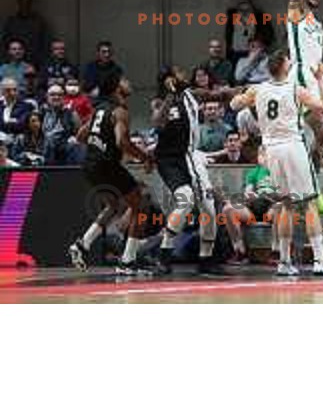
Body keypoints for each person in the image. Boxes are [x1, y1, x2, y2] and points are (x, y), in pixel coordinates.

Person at [231, 50, 323, 276]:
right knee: (309, 203)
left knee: (286, 204)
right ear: (282, 65)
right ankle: (320, 261)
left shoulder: (257, 89)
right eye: (288, 60)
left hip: (271, 150)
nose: (291, 62)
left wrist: (243, 96)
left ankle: (284, 261)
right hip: (292, 146)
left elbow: (233, 105)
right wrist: (320, 79)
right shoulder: (295, 88)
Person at [68, 71, 155, 275]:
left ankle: (82, 245)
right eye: (124, 80)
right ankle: (127, 262)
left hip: (90, 165)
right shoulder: (120, 111)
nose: (128, 82)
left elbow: (81, 136)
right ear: (117, 88)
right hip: (107, 164)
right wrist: (145, 158)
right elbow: (122, 142)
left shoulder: (99, 109)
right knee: (141, 205)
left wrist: (99, 142)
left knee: (113, 205)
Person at [150, 66, 218, 275]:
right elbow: (157, 123)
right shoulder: (160, 101)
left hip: (191, 156)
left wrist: (243, 90)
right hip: (169, 160)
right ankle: (164, 253)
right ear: (169, 79)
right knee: (186, 200)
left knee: (209, 209)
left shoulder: (190, 94)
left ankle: (205, 260)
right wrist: (170, 95)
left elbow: (216, 95)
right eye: (178, 72)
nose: (183, 74)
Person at [285, 0, 323, 165]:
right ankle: (306, 171)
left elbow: (321, 56)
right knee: (319, 132)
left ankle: (311, 170)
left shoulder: (316, 22)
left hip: (314, 77)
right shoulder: (296, 11)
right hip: (301, 76)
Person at [222, 146, 280, 265]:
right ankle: (239, 251)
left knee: (280, 207)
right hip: (253, 208)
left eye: (266, 155)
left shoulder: (280, 172)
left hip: (271, 208)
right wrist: (250, 195)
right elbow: (248, 191)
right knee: (228, 209)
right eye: (261, 155)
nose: (263, 158)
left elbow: (285, 193)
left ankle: (277, 252)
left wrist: (272, 195)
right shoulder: (254, 172)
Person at [225, 0, 275, 66]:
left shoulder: (261, 17)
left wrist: (259, 43)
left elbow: (269, 36)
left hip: (253, 55)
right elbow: (228, 37)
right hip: (235, 55)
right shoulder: (232, 16)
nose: (244, 0)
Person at [2, 0, 49, 66]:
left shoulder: (39, 22)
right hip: (14, 63)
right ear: (19, 3)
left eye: (28, 3)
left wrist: (41, 61)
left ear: (31, 4)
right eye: (23, 3)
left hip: (34, 62)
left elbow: (45, 43)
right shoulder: (11, 22)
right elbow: (5, 42)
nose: (25, 5)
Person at [41, 84, 81, 165]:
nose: (56, 97)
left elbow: (79, 134)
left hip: (64, 150)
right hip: (45, 149)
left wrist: (74, 138)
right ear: (47, 97)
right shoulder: (42, 112)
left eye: (59, 95)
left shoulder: (71, 113)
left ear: (64, 97)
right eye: (52, 95)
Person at [0, 77, 32, 143]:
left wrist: (4, 125)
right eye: (8, 90)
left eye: (15, 90)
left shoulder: (26, 106)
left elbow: (20, 126)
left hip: (16, 141)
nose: (12, 93)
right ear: (2, 92)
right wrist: (12, 122)